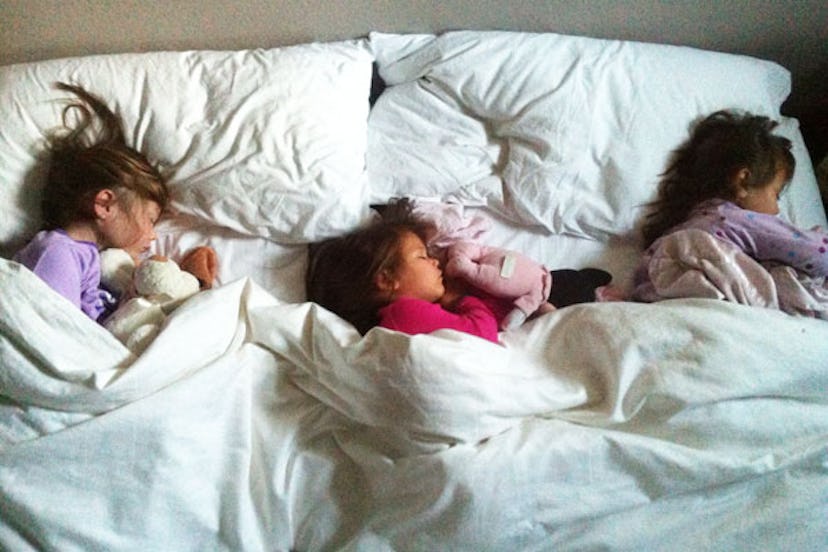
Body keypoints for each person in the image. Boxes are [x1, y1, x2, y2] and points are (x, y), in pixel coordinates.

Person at [306, 199, 611, 343]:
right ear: (387, 279)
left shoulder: (407, 312)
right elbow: (481, 334)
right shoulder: (403, 314)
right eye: (422, 257)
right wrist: (459, 297)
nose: (436, 262)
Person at [13, 82, 169, 321]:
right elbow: (50, 331)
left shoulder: (90, 258)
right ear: (105, 204)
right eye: (149, 220)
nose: (153, 235)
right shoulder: (56, 252)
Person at [634, 109, 828, 298]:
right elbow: (819, 253)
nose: (777, 210)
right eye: (775, 195)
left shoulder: (679, 228)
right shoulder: (739, 221)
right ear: (743, 180)